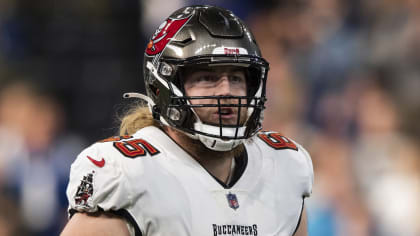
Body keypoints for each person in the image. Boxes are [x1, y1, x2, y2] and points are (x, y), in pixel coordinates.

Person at [61, 5, 313, 236]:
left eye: (236, 78)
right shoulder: (128, 174)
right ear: (164, 88)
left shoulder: (283, 168)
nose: (226, 91)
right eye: (207, 78)